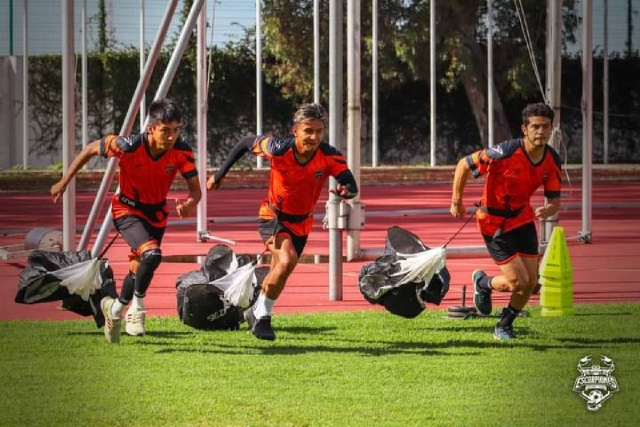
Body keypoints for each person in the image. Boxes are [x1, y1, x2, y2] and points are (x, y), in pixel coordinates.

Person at [51, 98, 202, 344]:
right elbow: (91, 148)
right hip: (126, 210)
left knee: (139, 267)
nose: (172, 136)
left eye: (176, 130)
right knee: (152, 255)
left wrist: (189, 205)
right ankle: (138, 310)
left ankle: (116, 310)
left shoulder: (182, 151)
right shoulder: (129, 145)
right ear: (151, 128)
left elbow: (197, 192)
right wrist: (64, 180)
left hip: (157, 215)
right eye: (166, 130)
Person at [207, 102, 358, 341]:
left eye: (319, 131)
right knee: (287, 260)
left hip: (303, 223)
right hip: (273, 216)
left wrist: (345, 190)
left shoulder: (329, 155)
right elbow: (246, 142)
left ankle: (253, 308)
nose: (314, 137)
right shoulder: (278, 148)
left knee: (281, 269)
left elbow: (350, 183)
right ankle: (263, 315)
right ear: (295, 130)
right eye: (308, 130)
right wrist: (219, 174)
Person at [450, 102, 562, 341]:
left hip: (523, 220)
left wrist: (549, 208)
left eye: (545, 126)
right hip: (494, 222)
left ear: (552, 128)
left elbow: (554, 198)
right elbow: (464, 164)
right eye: (535, 127)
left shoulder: (552, 159)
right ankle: (484, 284)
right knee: (518, 282)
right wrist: (456, 200)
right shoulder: (506, 152)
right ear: (524, 129)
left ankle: (505, 323)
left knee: (532, 285)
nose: (540, 131)